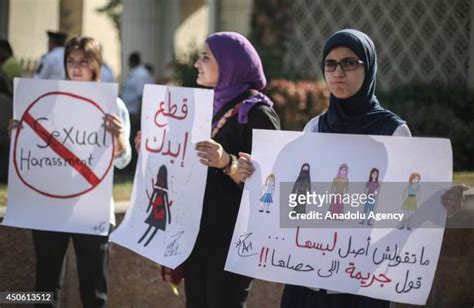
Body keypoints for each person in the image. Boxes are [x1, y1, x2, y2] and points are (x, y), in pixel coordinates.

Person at [236, 28, 467, 308]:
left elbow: (406, 200)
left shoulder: (392, 131)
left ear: (368, 68)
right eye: (330, 64)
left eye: (349, 63)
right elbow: (296, 194)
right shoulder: (316, 127)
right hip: (307, 275)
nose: (338, 72)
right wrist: (255, 174)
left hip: (360, 279)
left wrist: (439, 201)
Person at [9, 36, 131, 308]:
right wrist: (20, 136)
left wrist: (118, 137)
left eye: (83, 62)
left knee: (94, 290)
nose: (76, 68)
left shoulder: (114, 105)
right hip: (50, 204)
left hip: (92, 206)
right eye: (71, 61)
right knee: (44, 288)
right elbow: (35, 148)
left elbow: (123, 162)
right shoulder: (46, 101)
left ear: (96, 65)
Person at [180, 31, 281, 308]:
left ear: (229, 64)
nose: (197, 64)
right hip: (199, 235)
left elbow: (270, 180)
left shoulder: (257, 112)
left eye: (206, 57)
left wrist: (228, 162)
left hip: (233, 241)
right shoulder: (207, 107)